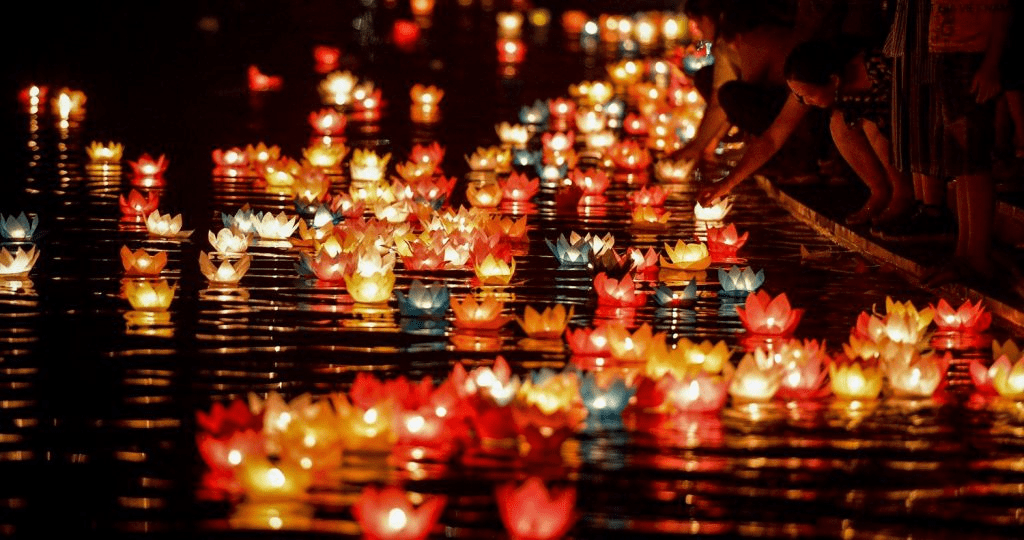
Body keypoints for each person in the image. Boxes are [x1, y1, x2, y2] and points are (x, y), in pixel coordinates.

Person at [699, 35, 916, 228]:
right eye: (798, 96)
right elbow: (773, 137)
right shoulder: (814, 87)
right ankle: (879, 191)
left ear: (834, 80)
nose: (804, 102)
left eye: (807, 96)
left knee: (867, 121)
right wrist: (727, 183)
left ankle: (902, 195)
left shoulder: (877, 70)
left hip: (907, 122)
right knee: (839, 121)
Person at [882, 0, 1011, 286]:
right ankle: (964, 252)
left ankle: (977, 255)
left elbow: (1002, 8)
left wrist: (992, 63)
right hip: (945, 52)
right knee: (960, 159)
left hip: (973, 54)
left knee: (973, 157)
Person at [671, 0, 740, 165]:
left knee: (707, 79)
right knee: (707, 76)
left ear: (708, 19)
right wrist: (708, 142)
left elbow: (720, 103)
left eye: (697, 22)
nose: (698, 31)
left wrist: (696, 147)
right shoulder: (736, 37)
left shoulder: (726, 46)